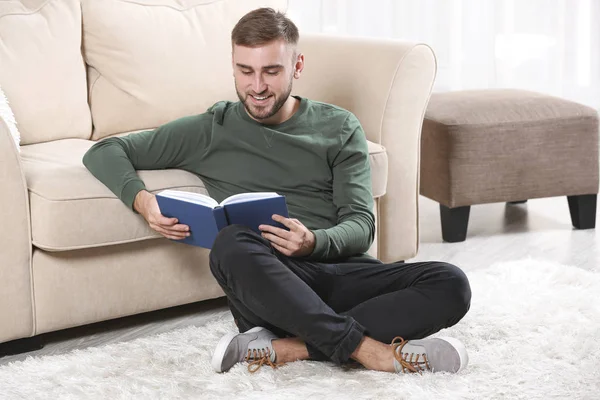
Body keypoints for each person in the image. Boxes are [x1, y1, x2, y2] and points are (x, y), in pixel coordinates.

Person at [83, 7, 471, 375]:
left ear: (297, 67)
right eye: (245, 71)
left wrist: (313, 241)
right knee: (230, 244)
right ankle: (371, 352)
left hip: (342, 273)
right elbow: (105, 150)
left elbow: (361, 224)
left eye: (271, 71)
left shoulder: (338, 127)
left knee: (451, 282)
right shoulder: (211, 128)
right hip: (272, 286)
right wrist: (143, 201)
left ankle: (289, 348)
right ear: (233, 68)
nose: (257, 87)